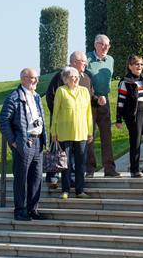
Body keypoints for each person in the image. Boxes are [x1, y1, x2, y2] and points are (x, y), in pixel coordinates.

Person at [0, 68, 47, 221]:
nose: (36, 81)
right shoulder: (13, 97)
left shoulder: (37, 97)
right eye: (33, 78)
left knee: (36, 178)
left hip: (38, 142)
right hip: (23, 143)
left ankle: (33, 209)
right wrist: (13, 141)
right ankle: (20, 210)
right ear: (24, 79)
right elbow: (3, 121)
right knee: (21, 178)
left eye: (36, 78)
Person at [45, 51, 95, 187]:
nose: (85, 64)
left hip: (80, 128)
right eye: (83, 62)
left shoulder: (86, 77)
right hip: (63, 125)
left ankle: (74, 183)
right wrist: (62, 113)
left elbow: (90, 99)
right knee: (59, 154)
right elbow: (50, 97)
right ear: (74, 62)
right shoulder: (60, 77)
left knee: (76, 159)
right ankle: (53, 178)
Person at [115, 55, 143, 178]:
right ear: (130, 66)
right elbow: (120, 101)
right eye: (136, 64)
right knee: (135, 141)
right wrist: (118, 118)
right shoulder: (125, 81)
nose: (139, 67)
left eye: (141, 64)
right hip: (133, 115)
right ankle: (134, 170)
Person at [86, 34, 121, 177]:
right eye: (102, 44)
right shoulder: (87, 58)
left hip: (104, 101)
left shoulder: (110, 60)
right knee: (90, 137)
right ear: (95, 44)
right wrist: (95, 97)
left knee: (107, 136)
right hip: (89, 102)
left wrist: (102, 97)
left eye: (108, 45)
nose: (105, 47)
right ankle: (89, 169)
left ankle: (109, 169)